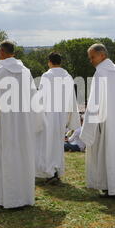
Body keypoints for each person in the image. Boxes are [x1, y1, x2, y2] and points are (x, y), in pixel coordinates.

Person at [0, 41, 43, 209]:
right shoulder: (26, 71)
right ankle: (23, 197)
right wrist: (36, 123)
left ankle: (6, 198)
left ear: (1, 51)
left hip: (5, 124)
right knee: (22, 159)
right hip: (24, 123)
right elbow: (34, 98)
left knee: (4, 159)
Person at [80, 44, 115, 198]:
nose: (91, 61)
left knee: (107, 153)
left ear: (102, 55)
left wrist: (88, 125)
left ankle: (110, 187)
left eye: (92, 57)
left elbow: (95, 101)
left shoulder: (101, 73)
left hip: (106, 121)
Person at [36, 52, 81, 183]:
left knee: (47, 144)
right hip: (62, 115)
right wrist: (70, 116)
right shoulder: (68, 77)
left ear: (50, 62)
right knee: (57, 144)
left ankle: (50, 172)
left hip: (48, 114)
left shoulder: (47, 75)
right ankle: (57, 170)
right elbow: (71, 99)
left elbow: (41, 97)